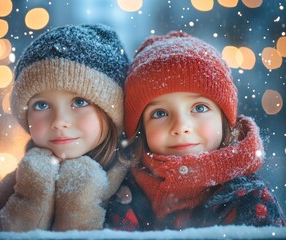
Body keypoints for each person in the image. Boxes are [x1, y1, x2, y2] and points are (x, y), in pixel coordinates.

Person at [106, 31, 285, 231]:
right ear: (140, 128)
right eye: (160, 113)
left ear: (225, 120)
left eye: (199, 108)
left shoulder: (249, 199)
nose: (181, 126)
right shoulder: (121, 191)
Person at [0, 24, 130, 232]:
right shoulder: (19, 181)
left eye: (79, 102)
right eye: (42, 105)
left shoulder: (132, 184)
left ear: (112, 112)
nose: (59, 121)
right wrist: (32, 200)